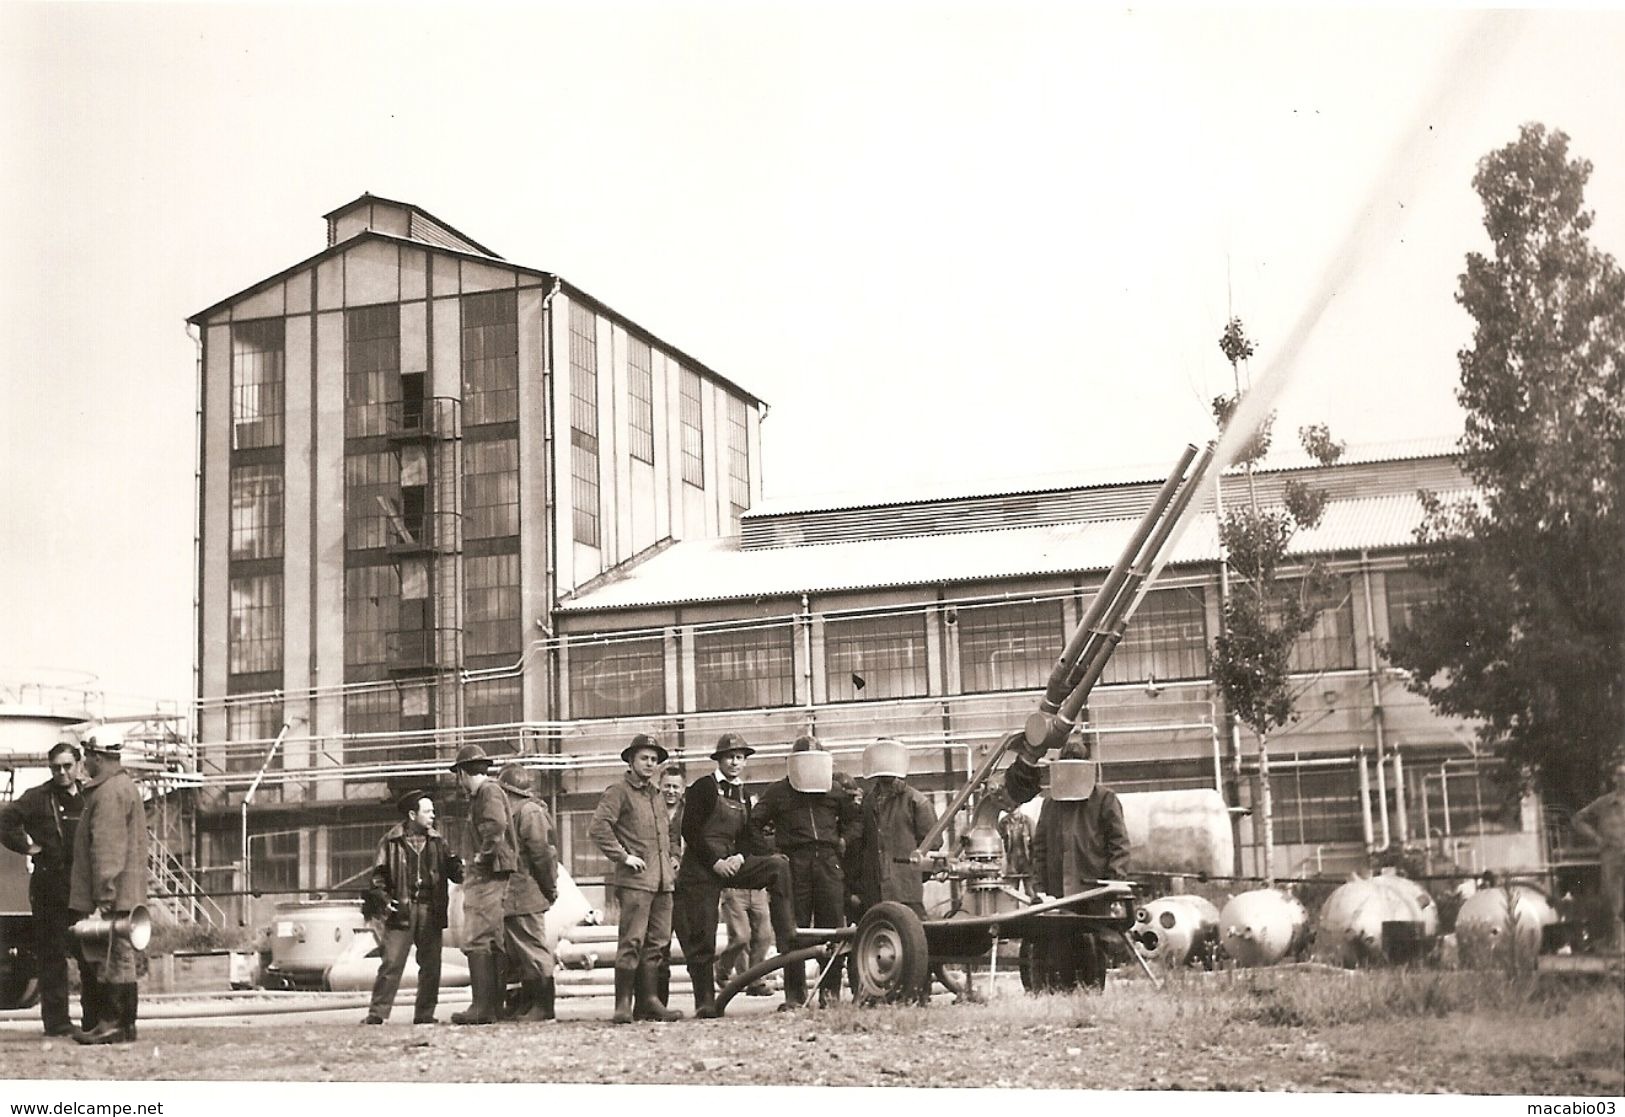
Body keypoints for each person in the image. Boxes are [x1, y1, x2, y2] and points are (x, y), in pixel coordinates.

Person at [674, 733, 804, 1017]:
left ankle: (788, 937)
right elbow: (690, 831)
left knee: (777, 866)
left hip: (730, 864)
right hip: (701, 868)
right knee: (702, 934)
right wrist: (716, 862)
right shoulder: (703, 788)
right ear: (719, 760)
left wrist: (740, 857)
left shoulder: (745, 794)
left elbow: (748, 837)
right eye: (730, 757)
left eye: (740, 758)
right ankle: (705, 1001)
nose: (735, 762)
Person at [0, 740, 100, 1037]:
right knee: (52, 956)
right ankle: (57, 1024)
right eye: (56, 768)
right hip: (49, 886)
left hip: (82, 886)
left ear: (79, 764)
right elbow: (5, 820)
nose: (62, 773)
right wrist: (28, 847)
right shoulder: (37, 797)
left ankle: (94, 1019)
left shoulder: (88, 796)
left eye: (67, 766)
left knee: (89, 953)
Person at [752, 735, 860, 1005]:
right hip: (794, 863)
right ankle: (795, 995)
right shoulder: (778, 791)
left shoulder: (834, 791)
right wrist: (771, 854)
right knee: (793, 929)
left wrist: (843, 840)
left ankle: (830, 993)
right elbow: (753, 823)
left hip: (827, 861)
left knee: (833, 927)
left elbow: (856, 820)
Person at [589, 734, 683, 1024]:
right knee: (632, 941)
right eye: (644, 758)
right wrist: (623, 856)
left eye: (654, 759)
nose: (650, 764)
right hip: (636, 883)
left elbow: (669, 834)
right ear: (631, 760)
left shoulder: (656, 795)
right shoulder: (618, 792)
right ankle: (622, 1005)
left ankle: (650, 1002)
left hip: (663, 883)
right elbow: (599, 827)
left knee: (657, 943)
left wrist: (673, 857)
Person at [1028, 735, 1130, 990]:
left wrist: (1113, 884)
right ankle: (1059, 991)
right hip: (1058, 892)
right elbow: (1039, 848)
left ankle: (1091, 992)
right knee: (1059, 944)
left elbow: (1119, 844)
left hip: (1093, 890)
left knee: (1093, 946)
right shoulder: (1051, 804)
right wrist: (1038, 887)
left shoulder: (1105, 800)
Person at [67, 728, 148, 1045]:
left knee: (112, 959)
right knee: (122, 959)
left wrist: (104, 898)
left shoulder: (108, 793)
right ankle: (123, 1025)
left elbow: (107, 850)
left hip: (113, 898)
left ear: (97, 756)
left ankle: (113, 1023)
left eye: (87, 755)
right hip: (127, 895)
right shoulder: (122, 787)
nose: (85, 761)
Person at [361, 790, 463, 1025]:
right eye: (427, 812)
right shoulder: (390, 841)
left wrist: (461, 867)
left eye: (432, 811)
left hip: (431, 908)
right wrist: (386, 902)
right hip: (401, 910)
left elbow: (454, 871)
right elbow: (377, 878)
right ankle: (377, 1014)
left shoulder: (438, 841)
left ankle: (425, 1014)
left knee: (431, 965)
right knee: (391, 962)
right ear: (412, 814)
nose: (433, 816)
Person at [448, 744, 516, 1025]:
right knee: (491, 939)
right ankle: (492, 1006)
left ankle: (482, 1007)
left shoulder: (487, 792)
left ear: (462, 773)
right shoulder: (485, 793)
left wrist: (482, 855)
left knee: (477, 938)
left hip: (488, 875)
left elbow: (496, 826)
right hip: (492, 874)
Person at [496, 764, 559, 1022]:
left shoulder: (529, 812)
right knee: (517, 952)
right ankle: (525, 1004)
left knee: (532, 948)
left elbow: (542, 855)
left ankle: (544, 1006)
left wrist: (549, 887)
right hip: (513, 893)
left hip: (527, 891)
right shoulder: (514, 812)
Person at [849, 738, 938, 917]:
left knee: (915, 935)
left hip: (906, 889)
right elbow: (862, 845)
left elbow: (933, 843)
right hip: (874, 890)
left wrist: (913, 874)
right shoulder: (868, 802)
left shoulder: (916, 801)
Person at [1571, 760, 1625, 951]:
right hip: (1611, 855)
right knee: (1612, 899)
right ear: (1614, 778)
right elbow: (1577, 819)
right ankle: (1618, 944)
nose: (1622, 778)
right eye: (1619, 775)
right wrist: (1596, 838)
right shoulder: (1604, 803)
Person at [648, 763, 686, 1013]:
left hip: (686, 886)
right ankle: (658, 1003)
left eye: (676, 787)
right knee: (659, 945)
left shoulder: (690, 811)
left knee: (691, 941)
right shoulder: (652, 807)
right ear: (659, 787)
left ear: (683, 790)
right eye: (666, 787)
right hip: (658, 884)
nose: (671, 791)